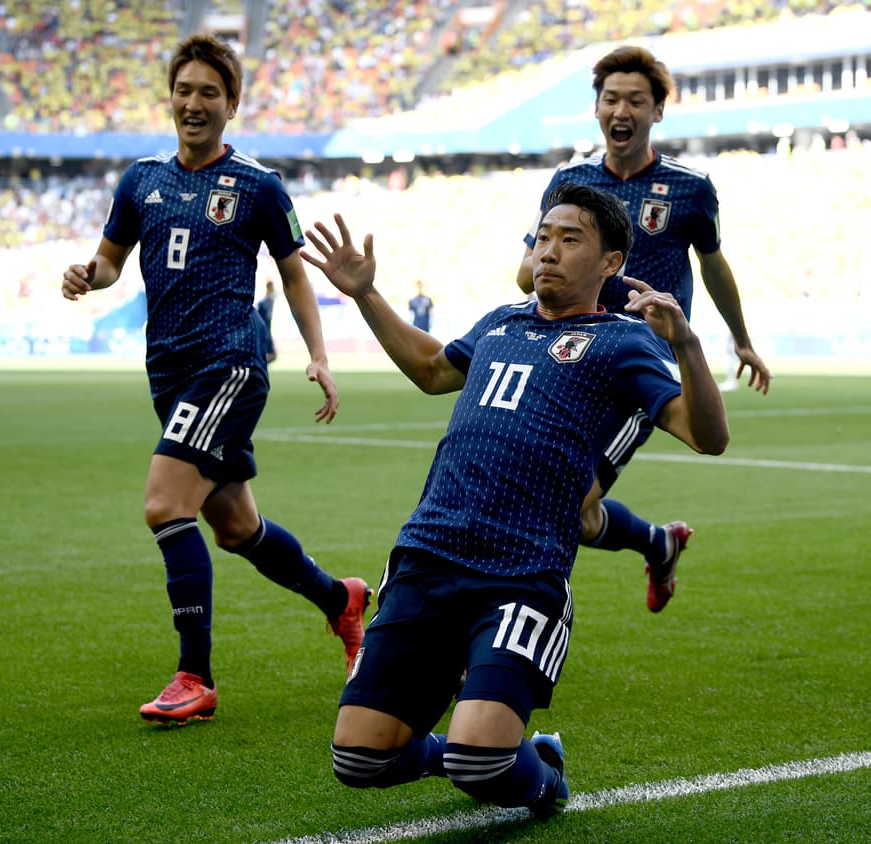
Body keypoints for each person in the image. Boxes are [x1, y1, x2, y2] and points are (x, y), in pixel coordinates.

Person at [301, 183, 729, 818]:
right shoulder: (501, 321)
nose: (548, 251)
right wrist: (365, 293)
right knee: (360, 760)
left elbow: (707, 436)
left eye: (570, 239)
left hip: (522, 574)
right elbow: (429, 369)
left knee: (480, 764)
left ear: (611, 262)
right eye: (543, 237)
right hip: (427, 556)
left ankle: (543, 775)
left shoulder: (622, 341)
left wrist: (688, 345)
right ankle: (489, 747)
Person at [60, 34, 371, 725]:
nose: (193, 103)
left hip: (228, 362)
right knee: (235, 527)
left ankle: (194, 677)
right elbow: (112, 262)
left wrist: (317, 353)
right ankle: (340, 599)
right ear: (170, 97)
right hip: (168, 370)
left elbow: (293, 271)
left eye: (209, 93)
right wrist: (89, 275)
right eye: (184, 90)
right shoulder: (140, 180)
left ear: (233, 104)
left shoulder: (258, 186)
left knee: (164, 505)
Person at [515, 45, 770, 613]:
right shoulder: (569, 181)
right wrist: (540, 258)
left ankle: (507, 626)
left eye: (635, 99)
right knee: (573, 512)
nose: (620, 110)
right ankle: (659, 543)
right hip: (566, 358)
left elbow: (713, 265)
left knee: (565, 501)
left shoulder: (689, 188)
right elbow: (526, 273)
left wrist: (742, 341)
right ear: (597, 109)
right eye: (611, 99)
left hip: (637, 366)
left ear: (658, 111)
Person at [256, 278, 278, 363]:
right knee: (270, 354)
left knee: (272, 355)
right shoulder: (262, 303)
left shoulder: (271, 301)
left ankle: (261, 365)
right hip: (263, 332)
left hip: (268, 332)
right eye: (272, 287)